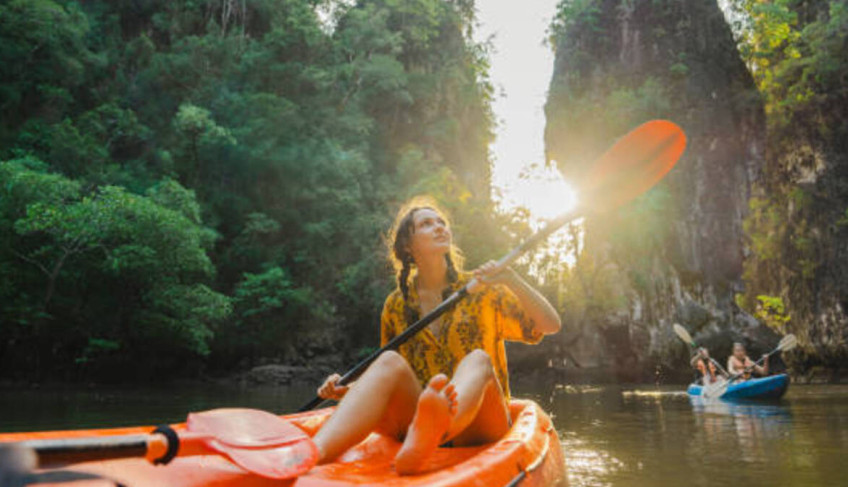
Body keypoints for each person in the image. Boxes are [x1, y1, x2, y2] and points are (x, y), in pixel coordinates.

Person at [312, 196, 561, 474]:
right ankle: (313, 452)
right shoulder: (396, 305)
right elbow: (388, 383)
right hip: (420, 416)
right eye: (427, 224)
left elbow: (550, 325)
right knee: (388, 361)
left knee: (478, 359)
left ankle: (437, 430)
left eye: (442, 222)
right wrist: (347, 391)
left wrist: (510, 278)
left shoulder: (484, 289)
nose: (440, 227)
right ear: (408, 246)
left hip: (481, 423)